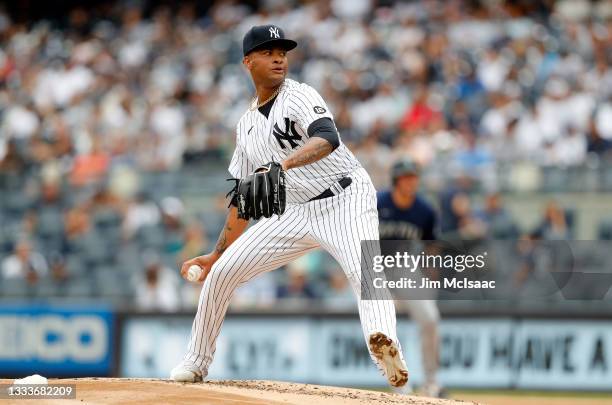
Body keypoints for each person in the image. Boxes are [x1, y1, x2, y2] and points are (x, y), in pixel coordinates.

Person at [170, 25, 408, 388]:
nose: (279, 57)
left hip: (345, 197)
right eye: (268, 51)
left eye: (282, 50)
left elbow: (327, 137)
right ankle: (195, 362)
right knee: (221, 275)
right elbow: (243, 200)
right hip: (296, 212)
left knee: (367, 273)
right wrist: (216, 253)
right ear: (248, 62)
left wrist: (283, 165)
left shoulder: (298, 95)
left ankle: (385, 347)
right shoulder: (246, 126)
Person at [377, 158, 444, 397]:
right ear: (396, 180)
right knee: (381, 330)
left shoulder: (425, 210)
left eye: (414, 177)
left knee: (430, 319)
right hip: (374, 268)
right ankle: (399, 385)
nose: (411, 182)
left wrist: (431, 275)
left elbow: (431, 246)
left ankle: (432, 382)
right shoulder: (376, 202)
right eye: (406, 177)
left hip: (405, 269)